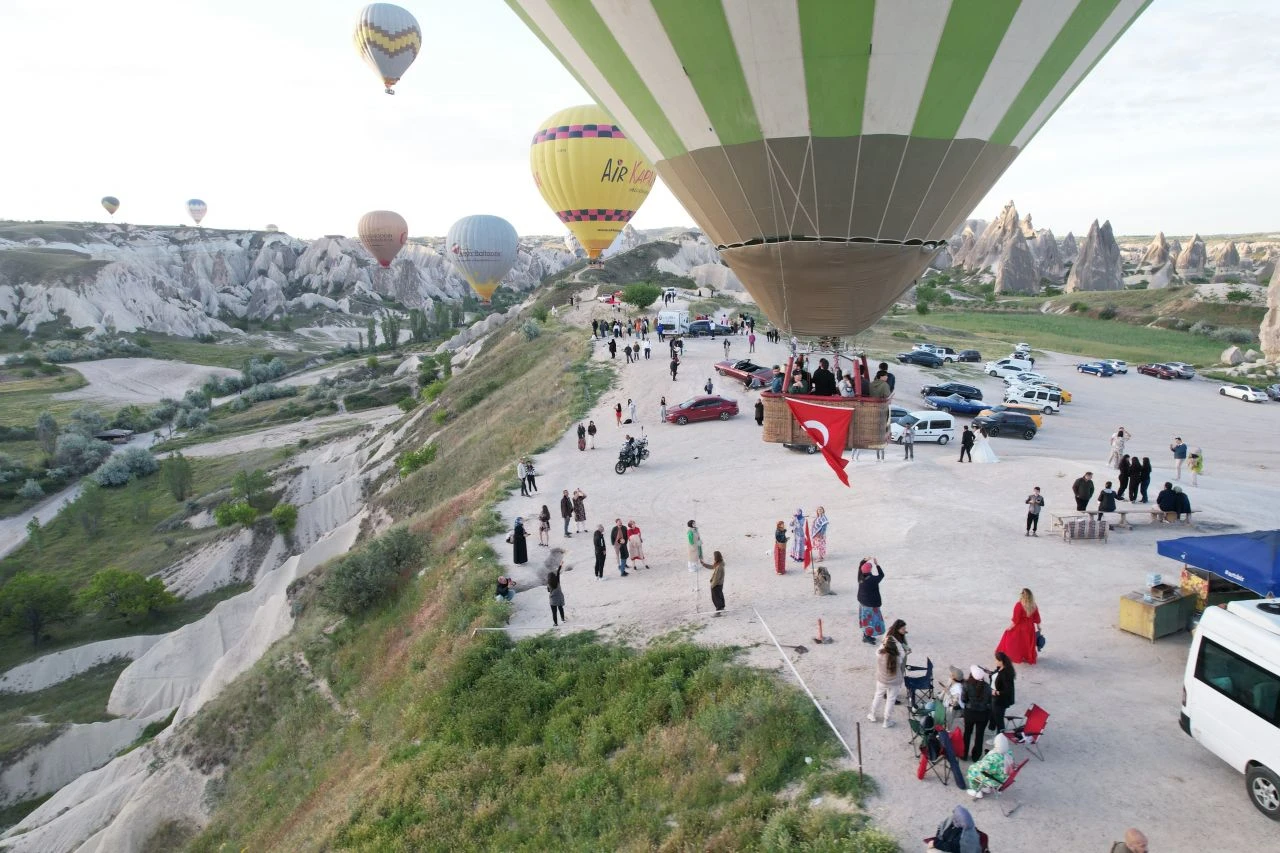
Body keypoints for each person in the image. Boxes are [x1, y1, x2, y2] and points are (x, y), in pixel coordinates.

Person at [868, 620, 907, 728]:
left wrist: (883, 645)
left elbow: (878, 651)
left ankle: (872, 714)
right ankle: (887, 721)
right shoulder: (898, 657)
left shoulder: (880, 654)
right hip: (895, 681)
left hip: (882, 680)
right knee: (891, 700)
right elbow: (902, 656)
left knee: (878, 695)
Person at [996, 588, 1041, 665]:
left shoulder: (1019, 605)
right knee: (1027, 643)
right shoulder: (1033, 605)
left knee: (1012, 639)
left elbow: (1016, 620)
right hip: (1030, 628)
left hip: (1020, 627)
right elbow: (1037, 617)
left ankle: (1010, 654)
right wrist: (1038, 626)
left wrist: (1010, 628)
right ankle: (1026, 656)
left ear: (1022, 595)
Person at [966, 733, 1013, 798]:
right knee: (991, 770)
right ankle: (987, 788)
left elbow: (982, 767)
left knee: (972, 769)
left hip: (995, 780)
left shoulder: (994, 757)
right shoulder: (1009, 752)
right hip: (1003, 778)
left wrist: (977, 764)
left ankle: (976, 791)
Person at [961, 664, 992, 761]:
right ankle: (976, 756)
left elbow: (964, 699)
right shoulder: (987, 687)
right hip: (983, 714)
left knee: (967, 733)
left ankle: (964, 754)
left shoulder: (966, 685)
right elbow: (989, 701)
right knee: (979, 735)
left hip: (970, 713)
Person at [857, 558, 885, 644]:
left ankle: (866, 635)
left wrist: (864, 560)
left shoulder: (860, 577)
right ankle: (867, 637)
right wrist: (877, 565)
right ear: (870, 570)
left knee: (865, 619)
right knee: (871, 621)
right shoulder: (873, 580)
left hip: (863, 603)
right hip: (870, 604)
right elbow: (881, 575)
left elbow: (860, 568)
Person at [989, 651, 1016, 733]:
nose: (995, 662)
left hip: (1000, 700)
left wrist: (997, 692)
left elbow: (1008, 690)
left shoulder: (1006, 674)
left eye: (996, 660)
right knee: (993, 715)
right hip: (994, 697)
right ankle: (994, 732)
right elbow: (995, 675)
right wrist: (989, 673)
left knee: (999, 720)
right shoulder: (999, 668)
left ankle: (1000, 739)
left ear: (1001, 661)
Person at [702, 550, 726, 615]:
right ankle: (722, 607)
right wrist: (704, 564)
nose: (714, 558)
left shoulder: (719, 566)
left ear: (716, 557)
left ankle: (718, 611)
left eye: (714, 557)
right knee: (720, 595)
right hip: (719, 584)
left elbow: (716, 578)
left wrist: (712, 585)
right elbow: (712, 567)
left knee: (716, 598)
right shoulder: (719, 563)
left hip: (717, 584)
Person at [547, 560, 566, 626]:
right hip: (559, 598)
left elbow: (548, 591)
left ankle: (555, 623)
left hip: (553, 600)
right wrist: (560, 564)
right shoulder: (557, 580)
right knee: (561, 609)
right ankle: (563, 619)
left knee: (554, 612)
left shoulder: (549, 584)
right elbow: (558, 572)